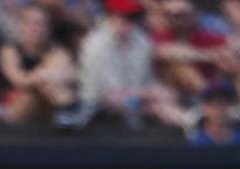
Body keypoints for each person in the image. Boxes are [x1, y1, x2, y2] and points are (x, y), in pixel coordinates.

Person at [75, 0, 193, 131]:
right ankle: (191, 123)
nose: (130, 21)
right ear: (111, 16)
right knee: (153, 104)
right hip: (98, 109)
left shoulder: (141, 40)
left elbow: (147, 80)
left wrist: (161, 91)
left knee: (165, 99)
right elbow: (109, 94)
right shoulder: (95, 44)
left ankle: (195, 125)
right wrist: (150, 94)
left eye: (134, 16)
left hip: (134, 102)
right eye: (125, 16)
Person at [0, 3, 78, 126]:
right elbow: (18, 80)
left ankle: (70, 114)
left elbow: (71, 74)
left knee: (52, 84)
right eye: (30, 23)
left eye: (40, 24)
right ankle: (71, 110)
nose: (35, 29)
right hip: (16, 105)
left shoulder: (56, 51)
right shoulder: (10, 50)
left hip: (49, 102)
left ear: (48, 28)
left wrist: (46, 76)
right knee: (33, 92)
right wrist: (43, 75)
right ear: (21, 26)